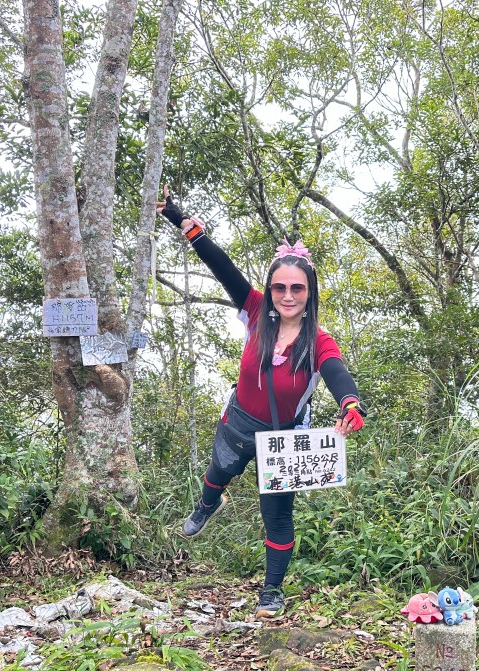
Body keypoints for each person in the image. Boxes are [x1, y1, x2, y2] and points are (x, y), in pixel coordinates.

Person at [156, 185, 365, 619]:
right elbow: (222, 268)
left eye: (297, 289)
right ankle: (207, 505)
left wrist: (350, 403)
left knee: (278, 515)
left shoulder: (318, 340)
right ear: (270, 290)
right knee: (218, 473)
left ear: (310, 293)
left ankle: (271, 591)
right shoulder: (254, 312)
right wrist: (179, 218)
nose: (288, 295)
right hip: (239, 420)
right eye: (280, 287)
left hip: (283, 438)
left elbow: (336, 372)